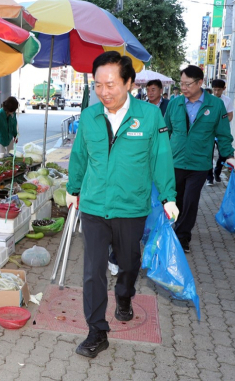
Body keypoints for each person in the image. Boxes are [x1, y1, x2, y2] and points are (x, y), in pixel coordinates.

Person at [65, 51, 178, 359]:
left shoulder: (150, 116)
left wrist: (169, 197)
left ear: (129, 83)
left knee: (129, 263)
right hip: (94, 206)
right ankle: (97, 331)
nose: (105, 91)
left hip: (131, 207)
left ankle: (125, 296)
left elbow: (160, 158)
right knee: (93, 269)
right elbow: (79, 157)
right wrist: (73, 188)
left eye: (112, 84)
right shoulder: (89, 117)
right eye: (99, 85)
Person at [164, 66, 235, 253]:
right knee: (176, 200)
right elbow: (165, 133)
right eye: (181, 84)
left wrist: (229, 156)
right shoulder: (175, 103)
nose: (183, 88)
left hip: (199, 164)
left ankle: (182, 238)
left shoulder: (215, 105)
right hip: (175, 162)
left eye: (187, 84)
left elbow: (223, 134)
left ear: (199, 83)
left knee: (190, 201)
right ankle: (173, 230)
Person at [206, 79, 235, 184]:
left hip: (221, 133)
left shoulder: (227, 101)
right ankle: (209, 177)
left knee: (223, 154)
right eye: (215, 90)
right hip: (209, 132)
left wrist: (220, 123)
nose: (216, 92)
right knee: (208, 154)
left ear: (224, 89)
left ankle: (217, 172)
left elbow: (230, 116)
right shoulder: (207, 100)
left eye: (219, 90)